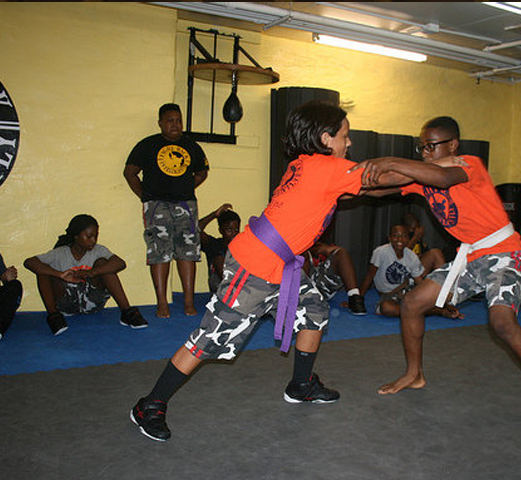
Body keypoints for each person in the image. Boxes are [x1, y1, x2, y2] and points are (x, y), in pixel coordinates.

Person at [130, 100, 365, 442]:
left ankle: (301, 385)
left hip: (281, 266)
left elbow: (372, 182)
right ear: (326, 138)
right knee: (210, 340)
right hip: (255, 267)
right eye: (346, 135)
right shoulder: (323, 168)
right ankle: (149, 405)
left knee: (314, 309)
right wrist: (426, 176)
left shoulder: (308, 164)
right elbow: (378, 176)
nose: (350, 142)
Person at [353, 116, 521, 425]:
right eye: (421, 147)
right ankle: (415, 374)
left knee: (502, 323)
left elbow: (442, 178)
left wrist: (388, 159)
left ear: (452, 144)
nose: (425, 153)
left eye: (431, 146)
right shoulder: (422, 177)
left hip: (504, 254)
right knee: (412, 303)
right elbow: (378, 187)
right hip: (470, 257)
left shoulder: (469, 164)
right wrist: (342, 185)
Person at [123, 103, 210, 318]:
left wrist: (185, 188)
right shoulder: (148, 145)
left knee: (188, 252)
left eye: (179, 120)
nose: (175, 124)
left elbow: (201, 173)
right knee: (159, 252)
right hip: (157, 205)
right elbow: (130, 172)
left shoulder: (192, 146)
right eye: (170, 120)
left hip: (186, 205)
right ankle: (162, 303)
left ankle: (189, 302)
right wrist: (145, 196)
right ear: (160, 123)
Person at [24, 214, 148, 336]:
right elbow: (29, 262)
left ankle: (127, 313)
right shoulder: (60, 253)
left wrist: (91, 272)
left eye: (96, 236)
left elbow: (120, 263)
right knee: (43, 271)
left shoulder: (99, 250)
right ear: (76, 236)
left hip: (92, 301)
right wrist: (60, 275)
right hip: (67, 304)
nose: (93, 241)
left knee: (104, 263)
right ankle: (54, 317)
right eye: (89, 237)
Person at [359, 223, 460, 319]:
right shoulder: (380, 252)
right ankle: (436, 311)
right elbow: (369, 277)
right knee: (387, 308)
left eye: (403, 236)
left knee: (435, 254)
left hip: (407, 290)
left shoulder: (411, 256)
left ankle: (441, 303)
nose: (399, 239)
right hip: (389, 295)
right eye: (395, 236)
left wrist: (445, 303)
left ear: (408, 239)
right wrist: (357, 299)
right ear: (389, 238)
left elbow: (419, 283)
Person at [303, 240, 367, 315]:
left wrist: (325, 249)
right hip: (303, 284)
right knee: (302, 253)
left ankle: (355, 298)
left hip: (321, 283)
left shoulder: (317, 233)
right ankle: (303, 296)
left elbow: (322, 247)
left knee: (341, 252)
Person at [198, 202, 240, 293]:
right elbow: (196, 230)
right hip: (220, 285)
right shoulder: (214, 244)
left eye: (236, 230)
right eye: (229, 230)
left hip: (240, 284)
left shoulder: (242, 245)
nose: (234, 233)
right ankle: (230, 290)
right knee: (219, 255)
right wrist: (214, 215)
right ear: (220, 230)